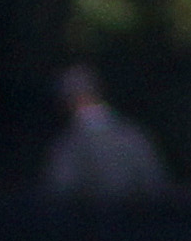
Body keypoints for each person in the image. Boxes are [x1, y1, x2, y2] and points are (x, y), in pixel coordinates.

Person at [42, 65, 168, 199]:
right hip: (137, 215)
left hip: (93, 217)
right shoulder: (133, 134)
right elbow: (155, 182)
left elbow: (60, 188)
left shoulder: (70, 143)